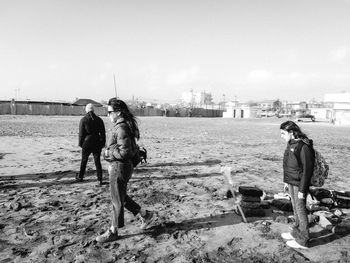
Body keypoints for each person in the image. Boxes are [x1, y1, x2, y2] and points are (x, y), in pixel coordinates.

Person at [96, 98, 154, 243]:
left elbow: (125, 152)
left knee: (117, 200)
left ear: (118, 112)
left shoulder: (121, 128)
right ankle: (145, 214)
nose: (108, 115)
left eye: (109, 112)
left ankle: (113, 231)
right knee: (121, 197)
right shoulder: (122, 126)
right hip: (121, 166)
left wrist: (108, 153)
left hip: (120, 167)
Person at [279, 120, 315, 249]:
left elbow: (307, 170)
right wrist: (286, 181)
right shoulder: (290, 144)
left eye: (283, 133)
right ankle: (297, 233)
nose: (281, 136)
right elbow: (288, 165)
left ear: (291, 132)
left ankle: (303, 240)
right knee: (295, 208)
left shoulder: (303, 146)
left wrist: (302, 189)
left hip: (300, 184)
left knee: (301, 210)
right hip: (292, 182)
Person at [77, 103, 106, 185]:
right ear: (93, 110)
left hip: (87, 142)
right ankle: (99, 179)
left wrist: (80, 143)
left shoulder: (83, 120)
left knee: (84, 160)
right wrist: (103, 143)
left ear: (86, 110)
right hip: (97, 142)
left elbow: (81, 134)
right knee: (97, 161)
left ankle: (81, 177)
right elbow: (103, 133)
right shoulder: (99, 120)